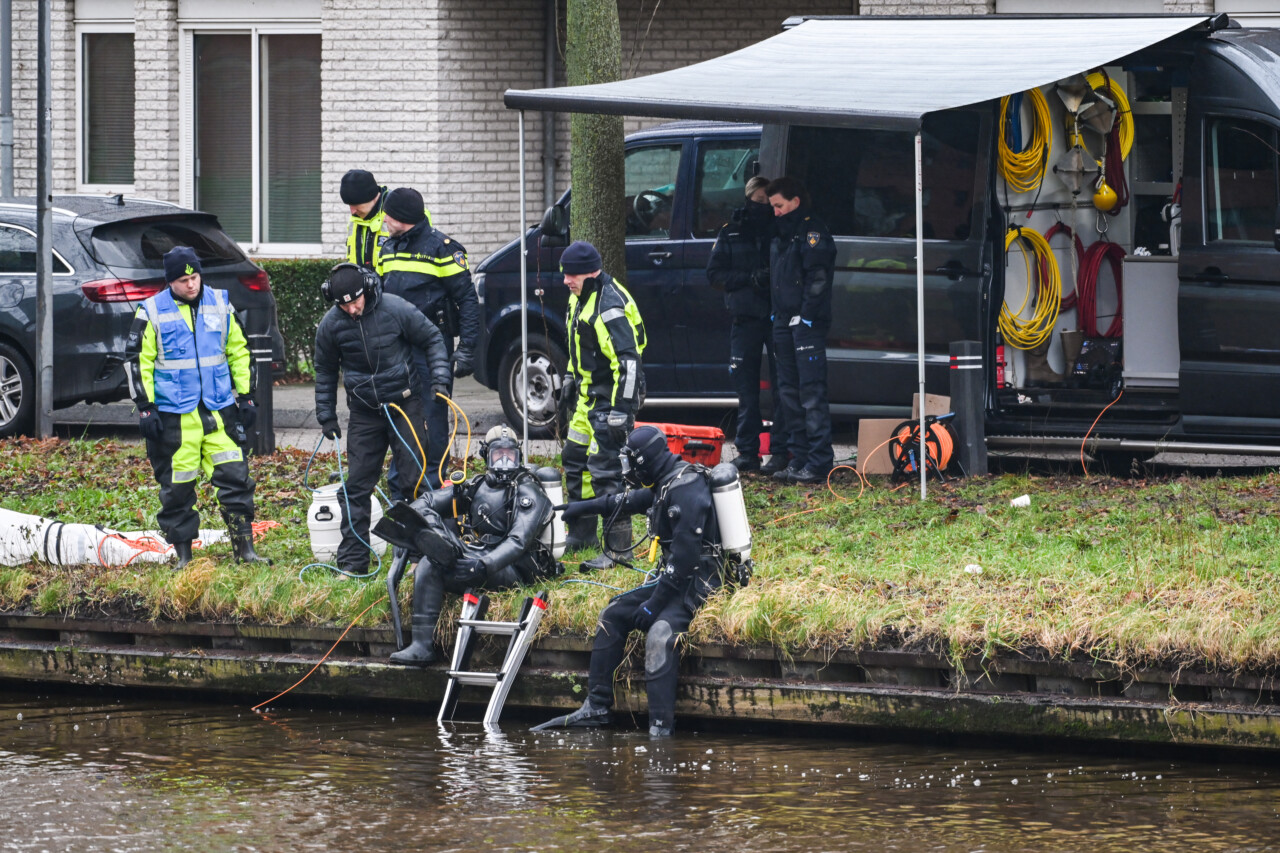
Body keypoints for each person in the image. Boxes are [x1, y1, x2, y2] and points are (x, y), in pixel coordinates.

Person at [533, 425, 730, 736]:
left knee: (660, 634)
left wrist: (652, 606)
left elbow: (684, 562)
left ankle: (660, 731)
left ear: (645, 462)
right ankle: (597, 707)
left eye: (630, 464)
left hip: (701, 581)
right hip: (675, 579)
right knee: (613, 614)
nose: (628, 471)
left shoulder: (687, 488)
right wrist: (580, 508)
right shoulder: (666, 481)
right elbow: (625, 502)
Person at [125, 246, 265, 568]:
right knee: (176, 489)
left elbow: (240, 350)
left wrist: (246, 396)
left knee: (236, 479)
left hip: (219, 411)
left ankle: (246, 552)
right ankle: (184, 558)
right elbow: (137, 361)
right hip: (175, 417)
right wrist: (146, 407)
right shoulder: (151, 311)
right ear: (170, 282)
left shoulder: (220, 303)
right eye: (183, 280)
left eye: (195, 277)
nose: (191, 284)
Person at [375, 426, 563, 666]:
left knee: (432, 565)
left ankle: (441, 551)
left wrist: (483, 565)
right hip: (477, 554)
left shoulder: (528, 492)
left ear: (519, 457)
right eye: (498, 455)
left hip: (513, 568)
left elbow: (518, 542)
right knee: (430, 560)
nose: (504, 462)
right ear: (486, 456)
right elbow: (426, 501)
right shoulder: (478, 486)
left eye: (510, 455)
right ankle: (422, 645)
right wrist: (436, 527)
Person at [313, 262, 452, 576]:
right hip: (364, 413)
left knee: (415, 482)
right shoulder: (330, 326)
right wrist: (326, 415)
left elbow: (432, 337)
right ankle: (353, 563)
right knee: (356, 486)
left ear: (366, 289)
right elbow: (324, 371)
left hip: (405, 405)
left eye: (356, 300)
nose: (352, 309)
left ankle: (420, 557)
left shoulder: (395, 308)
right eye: (344, 305)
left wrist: (440, 379)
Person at [376, 186, 479, 491]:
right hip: (396, 349)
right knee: (399, 416)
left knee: (432, 417)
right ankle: (401, 489)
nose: (383, 219)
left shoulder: (442, 249)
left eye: (388, 214)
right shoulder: (388, 248)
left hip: (432, 348)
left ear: (402, 217)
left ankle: (433, 488)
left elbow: (468, 301)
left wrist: (467, 349)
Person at [558, 240, 647, 571]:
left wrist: (622, 410)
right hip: (588, 395)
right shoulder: (579, 297)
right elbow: (578, 343)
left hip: (612, 398)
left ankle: (619, 550)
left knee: (606, 469)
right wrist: (570, 376)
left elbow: (629, 363)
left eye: (572, 275)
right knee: (575, 459)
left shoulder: (609, 306)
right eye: (565, 274)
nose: (566, 280)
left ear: (591, 273)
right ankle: (582, 534)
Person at [707, 175, 790, 475]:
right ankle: (747, 452)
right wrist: (749, 279)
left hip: (776, 316)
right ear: (748, 199)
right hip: (745, 318)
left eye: (768, 201)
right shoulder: (731, 232)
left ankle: (780, 451)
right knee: (746, 390)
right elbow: (715, 275)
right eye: (758, 201)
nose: (764, 206)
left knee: (782, 387)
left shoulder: (780, 229)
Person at [766, 176, 837, 484]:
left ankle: (819, 462)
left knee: (810, 393)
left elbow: (818, 279)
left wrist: (806, 316)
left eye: (779, 206)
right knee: (788, 393)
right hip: (783, 320)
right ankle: (800, 458)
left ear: (795, 202)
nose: (775, 212)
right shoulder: (781, 233)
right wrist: (777, 313)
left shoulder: (811, 232)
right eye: (772, 207)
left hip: (806, 324)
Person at [340, 169, 432, 271]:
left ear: (372, 197)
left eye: (356, 205)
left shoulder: (402, 210)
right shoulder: (355, 219)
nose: (352, 211)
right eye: (349, 205)